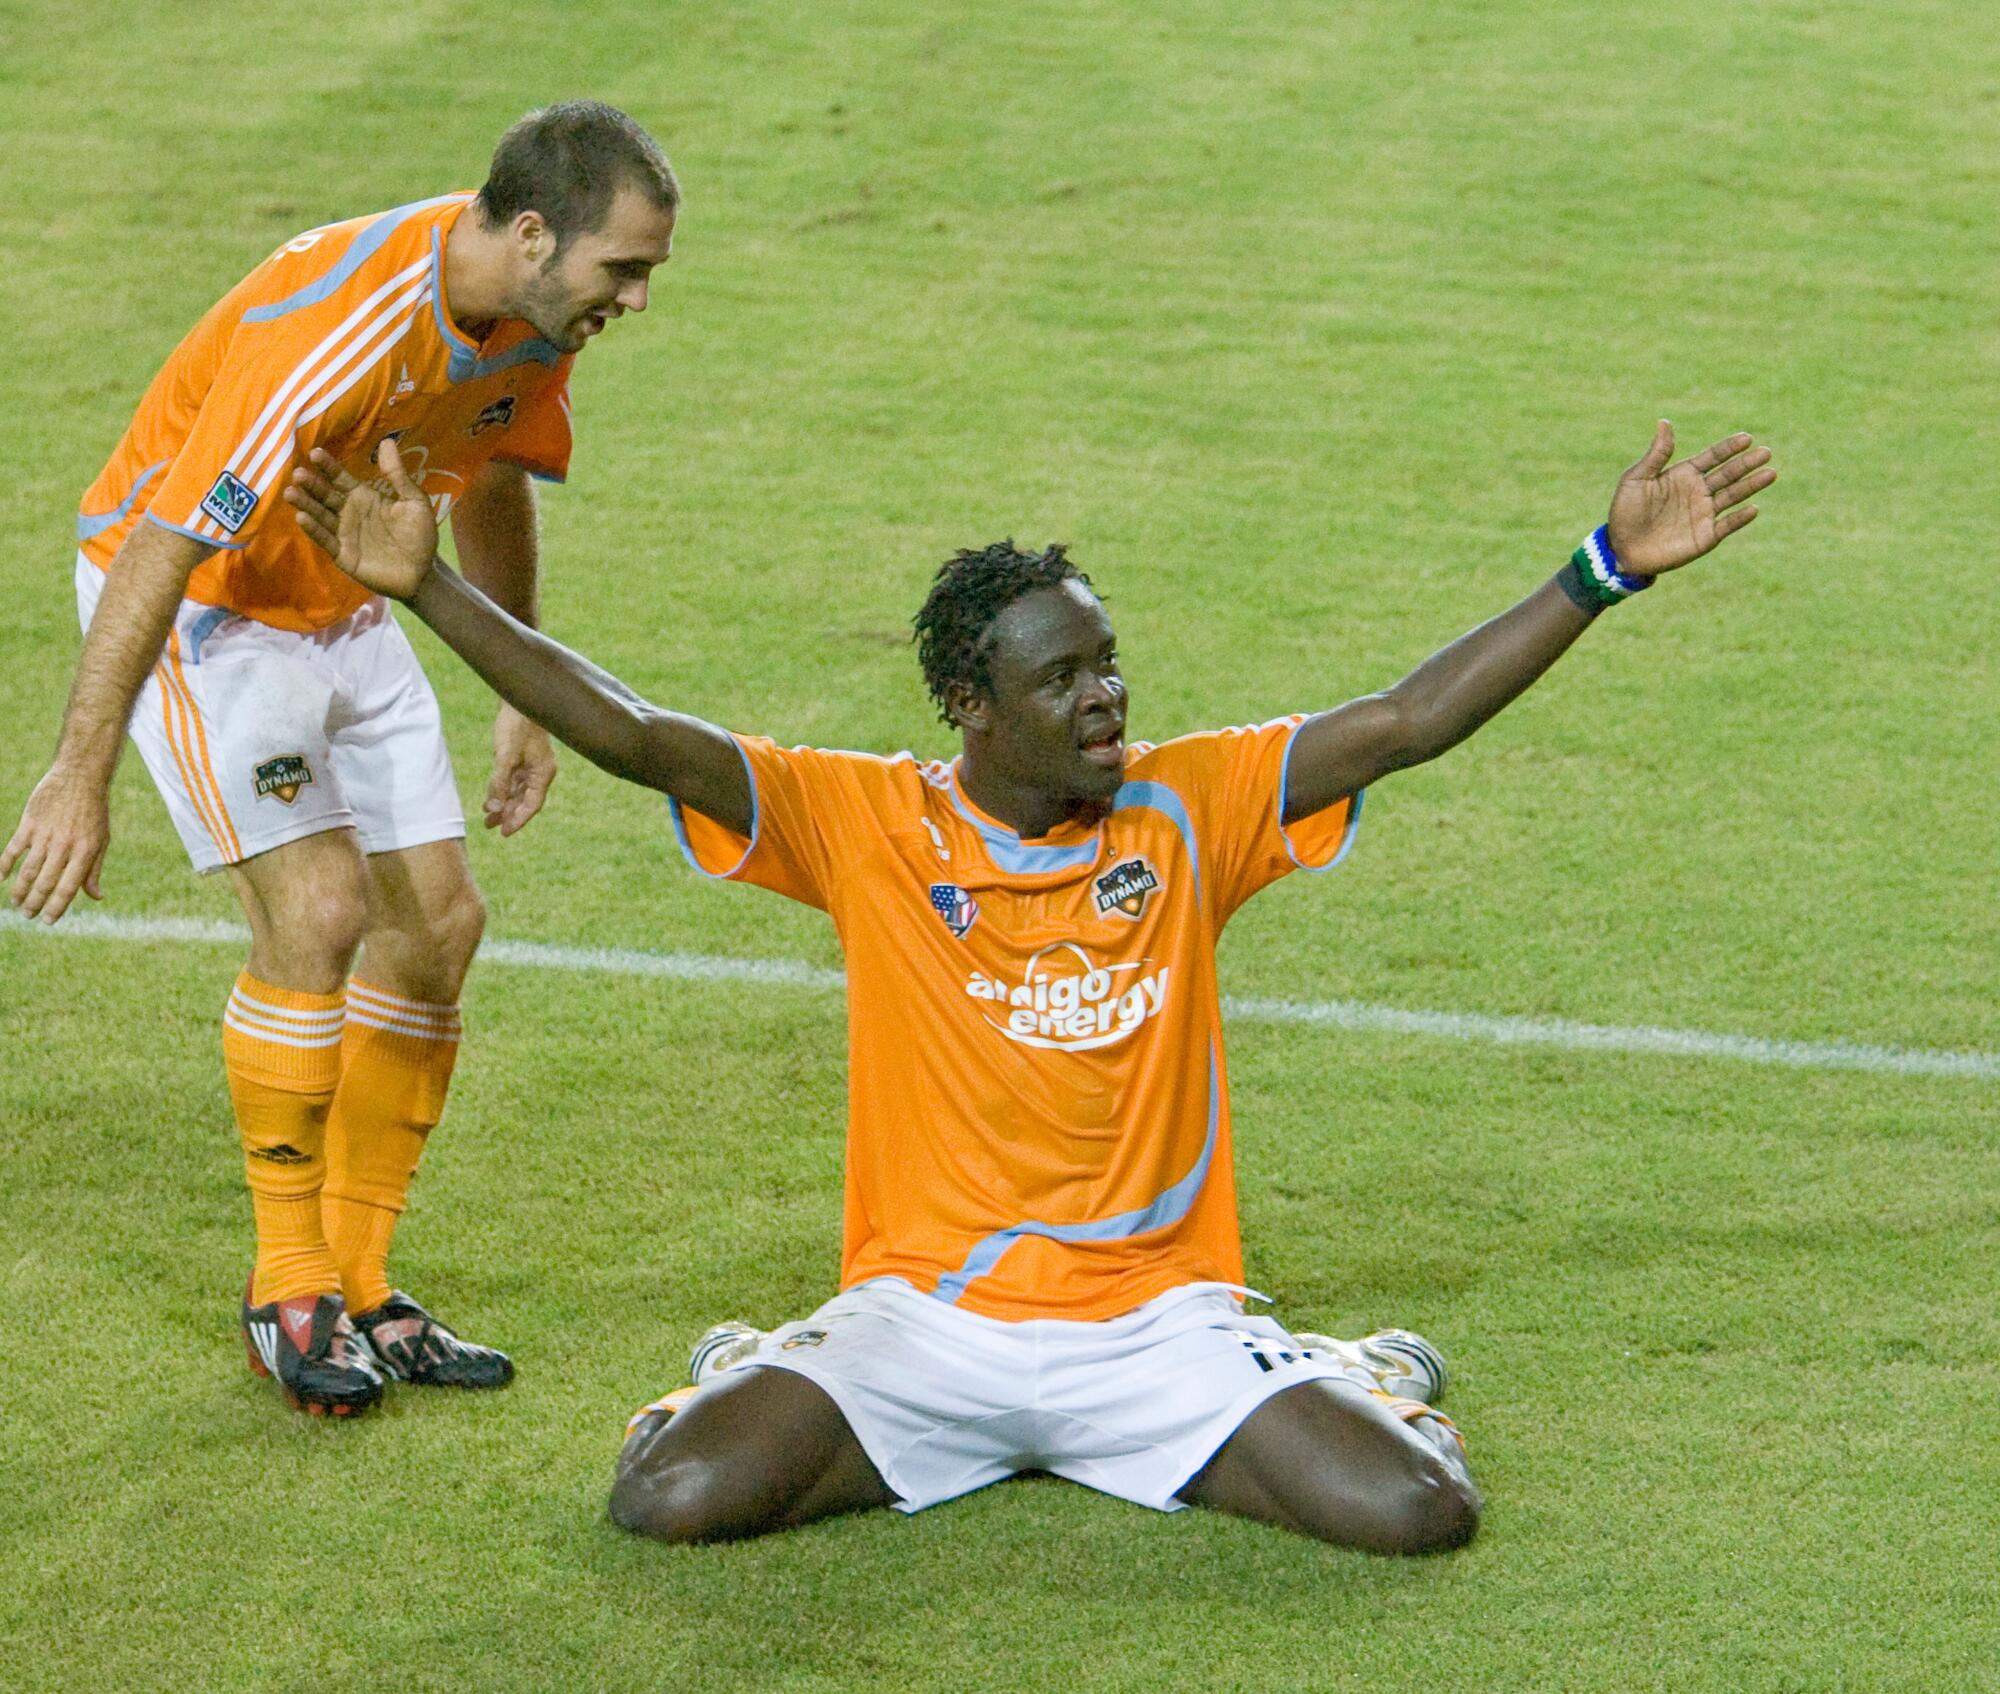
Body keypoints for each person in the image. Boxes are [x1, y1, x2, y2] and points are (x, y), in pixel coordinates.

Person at [283, 416, 1773, 1539]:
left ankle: (1354, 1365)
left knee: (1420, 1510)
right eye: (1065, 679)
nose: (1108, 696)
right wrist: (434, 596)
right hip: (925, 1324)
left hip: (1155, 1327)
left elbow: (1403, 721)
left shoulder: (1195, 807)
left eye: (1110, 663)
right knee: (664, 1497)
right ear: (972, 706)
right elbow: (636, 732)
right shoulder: (865, 821)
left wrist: (1604, 572)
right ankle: (757, 1361)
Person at [2, 102, 682, 1416]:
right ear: (534, 234)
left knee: (437, 932)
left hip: (353, 593)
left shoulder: (532, 318)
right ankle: (290, 1284)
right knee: (318, 911)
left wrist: (519, 693)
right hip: (212, 612)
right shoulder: (337, 334)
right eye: (625, 269)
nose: (638, 300)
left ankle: (366, 1284)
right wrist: (78, 771)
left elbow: (484, 474)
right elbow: (160, 541)